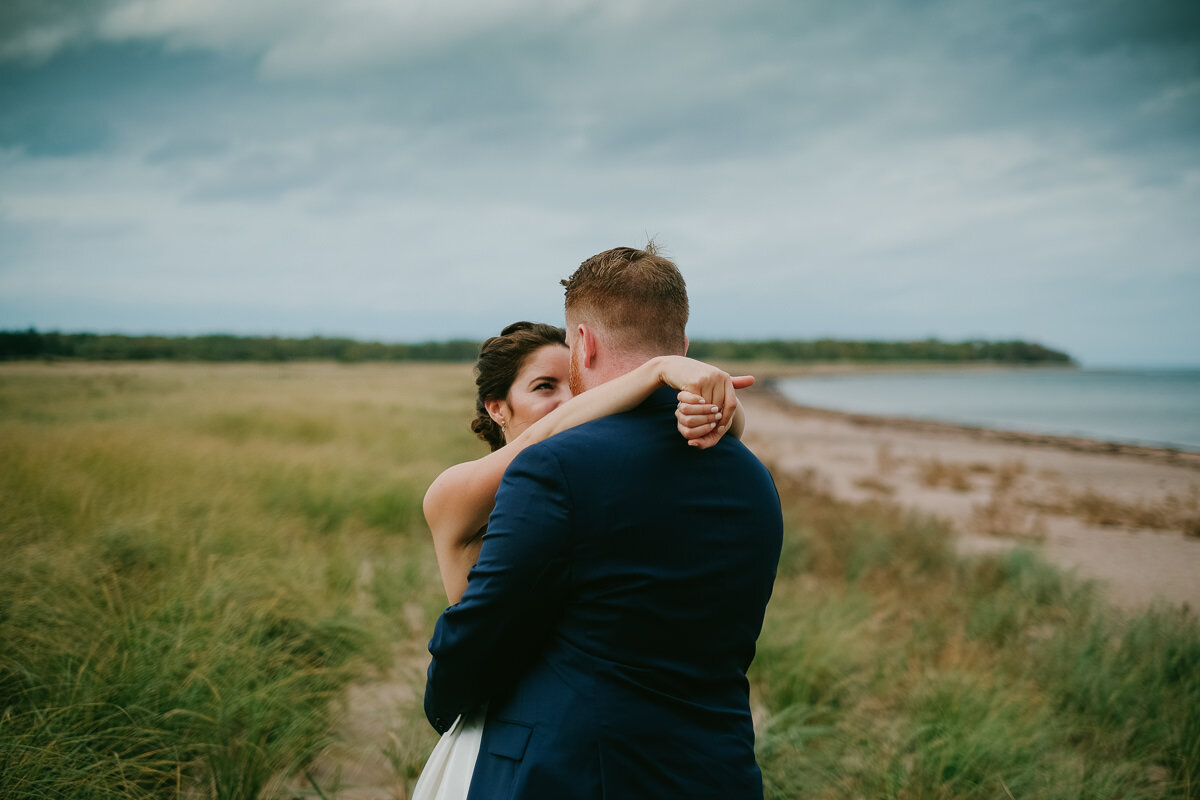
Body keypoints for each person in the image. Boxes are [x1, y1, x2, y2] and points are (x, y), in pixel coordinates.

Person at [424, 244, 783, 799]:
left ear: (582, 344)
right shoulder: (751, 476)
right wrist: (672, 378)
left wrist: (444, 702)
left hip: (575, 772)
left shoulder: (555, 470)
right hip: (718, 770)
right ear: (683, 344)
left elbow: (483, 637)